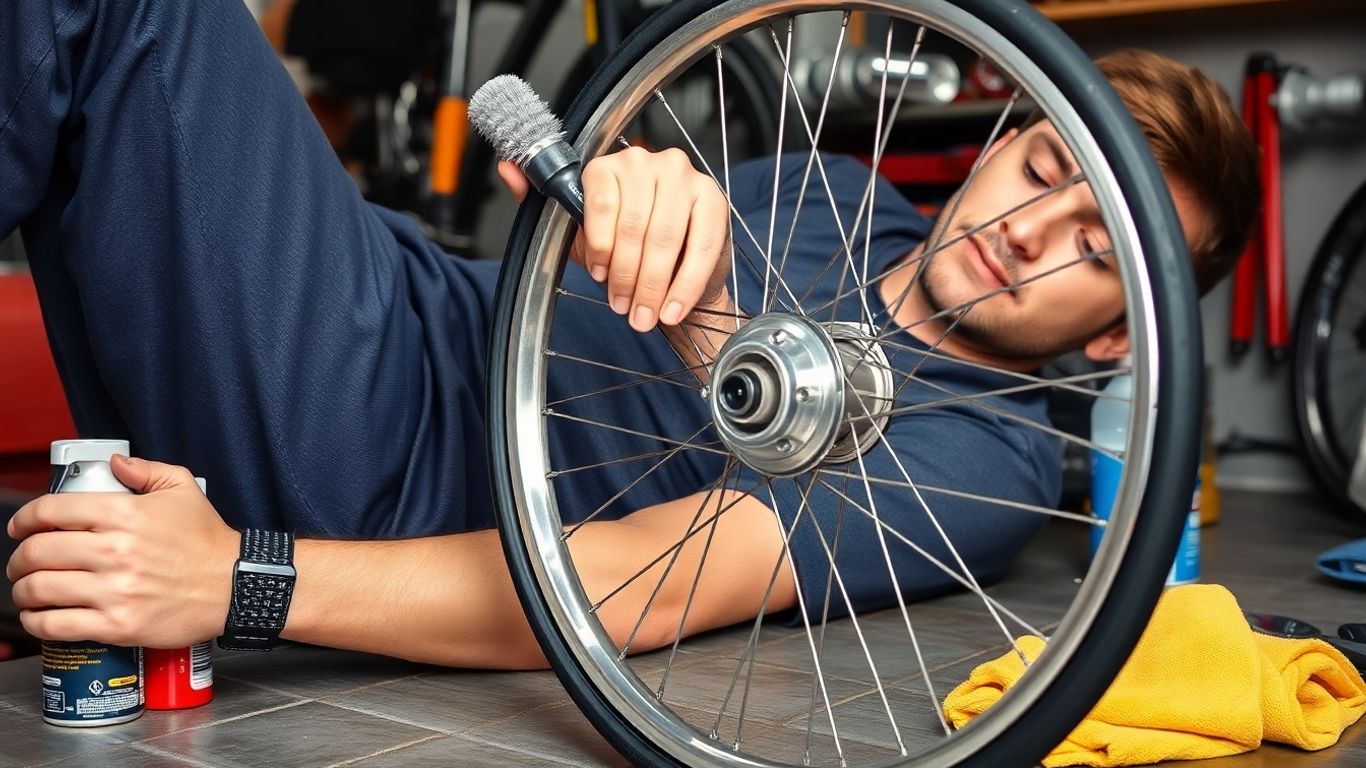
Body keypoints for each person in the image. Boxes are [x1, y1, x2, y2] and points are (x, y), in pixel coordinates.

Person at [3, 0, 1256, 669]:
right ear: (999, 143)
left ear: (1117, 338)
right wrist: (629, 193)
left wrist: (243, 580)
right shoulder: (842, 190)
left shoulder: (986, 456)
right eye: (1043, 169)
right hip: (409, 293)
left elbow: (621, 587)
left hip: (388, 457)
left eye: (1098, 248)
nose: (1033, 232)